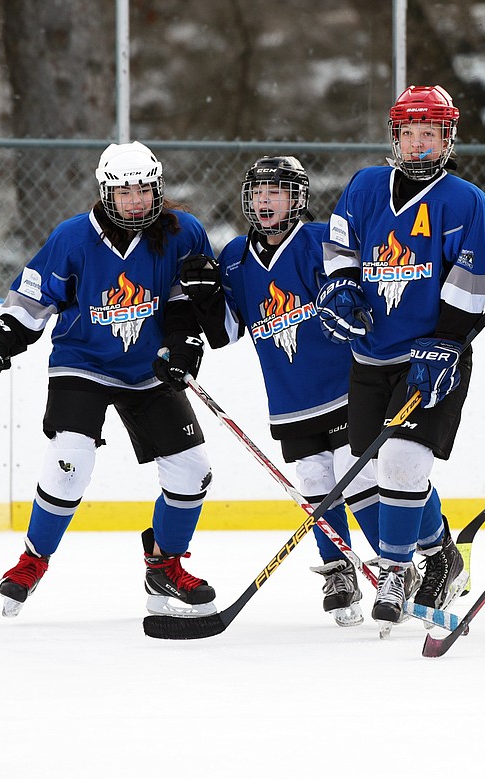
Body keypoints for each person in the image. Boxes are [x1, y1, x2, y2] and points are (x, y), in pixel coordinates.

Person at [0, 141, 218, 619]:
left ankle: (164, 566)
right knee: (71, 458)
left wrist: (185, 341)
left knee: (193, 469)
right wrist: (5, 329)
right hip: (82, 362)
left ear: (157, 189)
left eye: (144, 191)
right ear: (106, 192)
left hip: (149, 367)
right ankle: (32, 560)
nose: (135, 201)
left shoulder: (182, 232)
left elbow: (185, 300)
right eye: (123, 192)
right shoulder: (73, 238)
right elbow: (34, 297)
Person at [316, 85, 485, 634]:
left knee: (404, 463)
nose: (419, 145)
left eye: (430, 134)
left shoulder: (465, 200)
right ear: (396, 136)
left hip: (432, 355)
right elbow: (341, 245)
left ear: (448, 139)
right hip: (371, 356)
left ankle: (397, 569)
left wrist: (447, 341)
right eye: (409, 133)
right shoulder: (366, 185)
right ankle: (441, 552)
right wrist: (341, 288)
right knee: (370, 468)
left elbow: (470, 278)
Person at [178, 156, 382, 627]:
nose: (265, 200)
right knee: (315, 484)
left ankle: (395, 566)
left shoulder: (319, 241)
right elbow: (227, 333)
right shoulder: (233, 259)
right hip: (291, 398)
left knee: (361, 479)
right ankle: (339, 571)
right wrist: (206, 295)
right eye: (258, 192)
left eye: (278, 191)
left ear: (298, 199)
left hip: (346, 388)